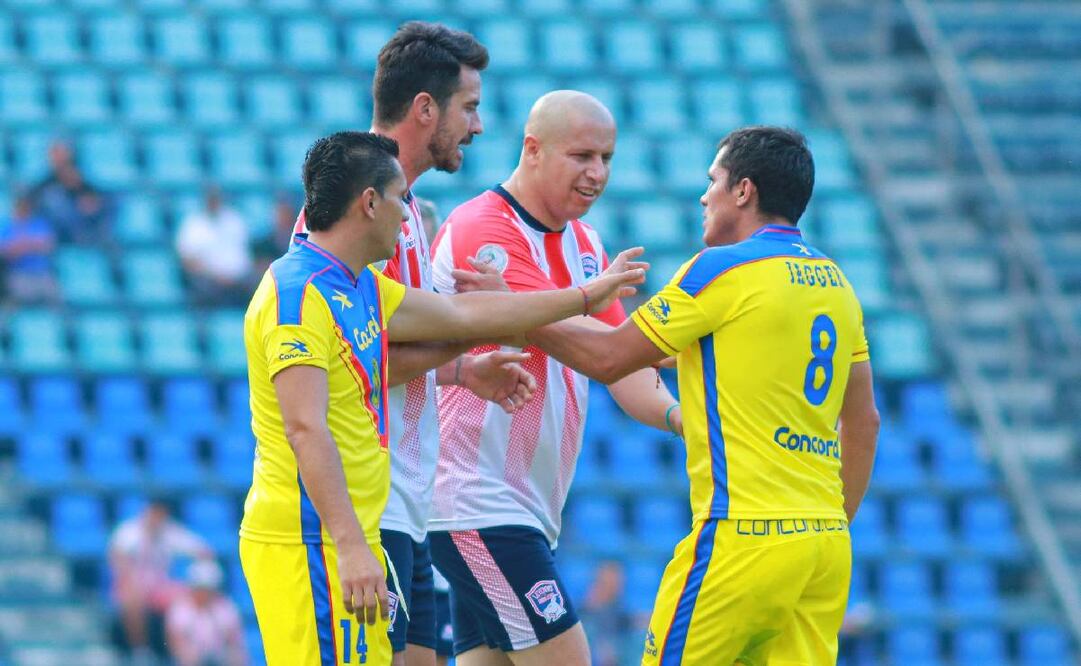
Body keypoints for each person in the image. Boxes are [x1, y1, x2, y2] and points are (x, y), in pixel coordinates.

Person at [239, 130, 644, 666]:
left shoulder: (359, 285)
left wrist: (585, 299)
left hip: (355, 533)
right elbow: (305, 429)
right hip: (312, 540)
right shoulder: (296, 294)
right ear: (367, 203)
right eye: (398, 201)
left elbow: (459, 318)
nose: (408, 220)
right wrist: (352, 547)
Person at [517, 126, 882, 664]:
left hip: (743, 536)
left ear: (744, 191)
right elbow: (866, 421)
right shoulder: (837, 284)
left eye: (713, 180)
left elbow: (610, 358)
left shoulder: (722, 269)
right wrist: (832, 522)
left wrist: (511, 311)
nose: (703, 194)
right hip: (823, 546)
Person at [292, 23, 538, 666]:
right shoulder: (355, 212)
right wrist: (488, 322)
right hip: (369, 506)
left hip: (410, 503)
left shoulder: (406, 211)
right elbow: (361, 355)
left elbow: (388, 348)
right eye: (470, 107)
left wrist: (462, 367)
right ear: (425, 108)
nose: (478, 126)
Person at [426, 91, 681, 666]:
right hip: (474, 499)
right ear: (533, 149)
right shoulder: (483, 231)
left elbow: (624, 365)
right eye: (583, 156)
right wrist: (586, 308)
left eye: (607, 158)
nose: (597, 174)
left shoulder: (587, 245)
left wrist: (682, 418)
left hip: (527, 508)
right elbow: (598, 352)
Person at [108, 498, 214, 664]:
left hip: (160, 586)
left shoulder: (169, 532)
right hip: (133, 584)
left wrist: (198, 573)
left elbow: (203, 550)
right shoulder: (129, 531)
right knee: (132, 597)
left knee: (190, 599)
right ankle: (140, 650)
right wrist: (131, 578)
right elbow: (117, 559)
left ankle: (181, 653)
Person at [176, 187, 254, 304]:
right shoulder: (193, 224)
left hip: (239, 280)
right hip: (209, 280)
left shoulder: (234, 220)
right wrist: (216, 276)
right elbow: (187, 261)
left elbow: (248, 251)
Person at [165, 560, 248, 666]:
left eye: (207, 589)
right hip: (192, 657)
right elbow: (175, 641)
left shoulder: (225, 608)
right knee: (188, 657)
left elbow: (233, 640)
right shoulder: (180, 608)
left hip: (219, 655)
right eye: (200, 588)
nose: (203, 594)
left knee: (236, 656)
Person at [29, 140, 111, 243]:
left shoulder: (80, 177)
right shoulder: (46, 183)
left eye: (60, 154)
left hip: (82, 221)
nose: (57, 159)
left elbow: (93, 197)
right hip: (58, 225)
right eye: (54, 155)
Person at [0, 191, 58, 303]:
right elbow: (5, 251)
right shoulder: (5, 226)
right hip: (18, 272)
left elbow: (48, 246)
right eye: (20, 206)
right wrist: (31, 244)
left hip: (42, 271)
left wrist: (23, 245)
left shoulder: (40, 224)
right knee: (19, 299)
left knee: (55, 298)